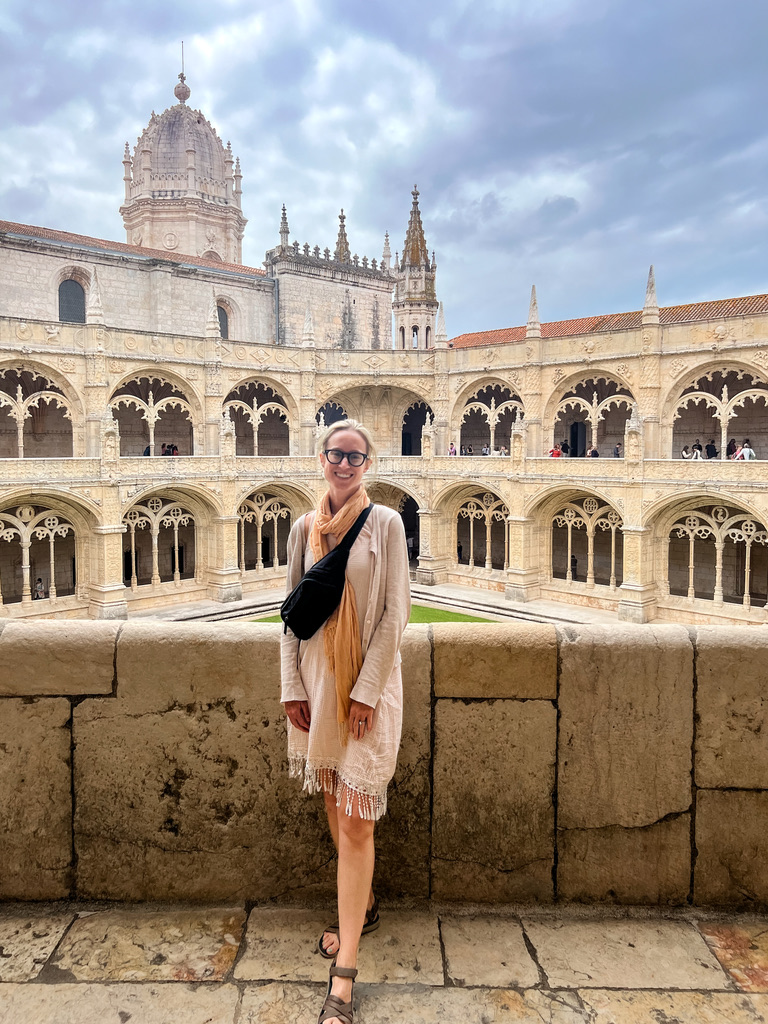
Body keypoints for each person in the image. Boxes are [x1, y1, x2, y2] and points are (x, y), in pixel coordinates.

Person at [281, 419, 410, 1024]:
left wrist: (365, 691)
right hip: (315, 685)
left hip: (367, 693)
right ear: (322, 459)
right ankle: (366, 905)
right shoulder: (303, 528)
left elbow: (394, 615)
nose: (343, 463)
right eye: (335, 454)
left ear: (367, 464)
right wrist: (291, 688)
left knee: (357, 820)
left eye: (354, 456)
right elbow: (289, 615)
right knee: (336, 806)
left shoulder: (386, 524)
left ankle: (345, 974)